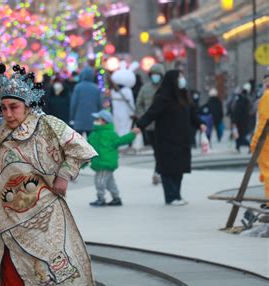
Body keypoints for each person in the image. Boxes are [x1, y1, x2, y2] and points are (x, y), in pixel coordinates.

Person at [0, 63, 105, 286]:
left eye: (14, 107)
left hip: (45, 218)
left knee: (54, 273)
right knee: (15, 277)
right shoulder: (1, 133)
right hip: (10, 222)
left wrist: (63, 177)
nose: (9, 114)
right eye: (4, 108)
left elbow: (79, 148)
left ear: (27, 106)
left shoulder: (47, 125)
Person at [136, 70, 206, 206]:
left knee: (179, 168)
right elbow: (151, 113)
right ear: (173, 80)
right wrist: (140, 125)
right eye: (179, 77)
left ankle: (177, 195)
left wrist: (200, 124)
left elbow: (192, 114)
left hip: (183, 139)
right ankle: (170, 197)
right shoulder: (163, 97)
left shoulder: (184, 96)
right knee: (167, 169)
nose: (182, 79)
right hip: (166, 139)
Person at [88, 109, 139, 207]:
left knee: (99, 181)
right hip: (99, 163)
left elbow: (121, 140)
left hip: (106, 163)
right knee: (110, 182)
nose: (96, 121)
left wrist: (132, 134)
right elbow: (87, 148)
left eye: (99, 119)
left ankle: (100, 198)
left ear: (105, 121)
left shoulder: (110, 134)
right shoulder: (93, 134)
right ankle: (116, 198)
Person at [135, 63, 165, 185]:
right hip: (150, 126)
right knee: (157, 149)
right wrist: (144, 117)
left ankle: (159, 171)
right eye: (153, 74)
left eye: (158, 75)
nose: (155, 77)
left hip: (164, 125)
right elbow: (139, 104)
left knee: (161, 150)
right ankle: (158, 171)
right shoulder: (145, 88)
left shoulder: (165, 88)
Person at [251, 75, 269, 209]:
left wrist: (255, 141)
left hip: (266, 141)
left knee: (268, 170)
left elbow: (263, 121)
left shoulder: (267, 97)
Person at [70, 66, 102, 136]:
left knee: (78, 142)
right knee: (91, 142)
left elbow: (73, 104)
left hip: (79, 120)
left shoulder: (78, 87)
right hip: (92, 120)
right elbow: (100, 104)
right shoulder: (96, 88)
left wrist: (72, 118)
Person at [231, 86, 252, 152]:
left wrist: (234, 122)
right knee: (241, 135)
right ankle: (238, 147)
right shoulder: (247, 101)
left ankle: (249, 146)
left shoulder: (239, 102)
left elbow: (236, 113)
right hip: (245, 121)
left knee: (240, 136)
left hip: (239, 122)